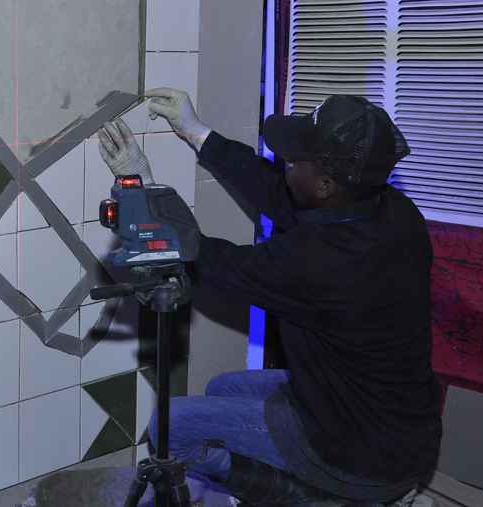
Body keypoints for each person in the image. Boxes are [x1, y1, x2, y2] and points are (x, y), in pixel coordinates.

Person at [97, 89, 443, 507]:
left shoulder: (317, 264)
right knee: (224, 387)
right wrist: (196, 133)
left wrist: (141, 186)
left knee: (173, 426)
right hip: (389, 420)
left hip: (357, 458)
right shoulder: (393, 212)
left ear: (326, 184)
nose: (285, 163)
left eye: (295, 161)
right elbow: (281, 194)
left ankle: (311, 498)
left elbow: (205, 260)